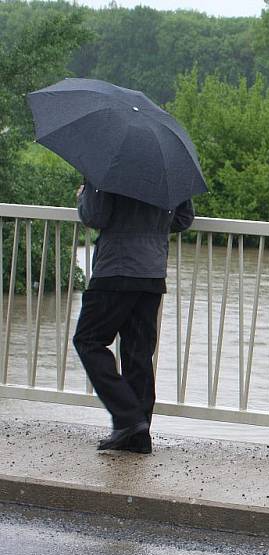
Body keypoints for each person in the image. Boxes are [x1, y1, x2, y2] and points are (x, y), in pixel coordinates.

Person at [72, 181, 194, 453]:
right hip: (151, 272)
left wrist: (83, 196)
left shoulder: (106, 171)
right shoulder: (167, 171)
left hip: (115, 268)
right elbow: (184, 219)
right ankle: (138, 435)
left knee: (88, 341)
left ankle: (128, 417)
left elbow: (96, 216)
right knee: (138, 353)